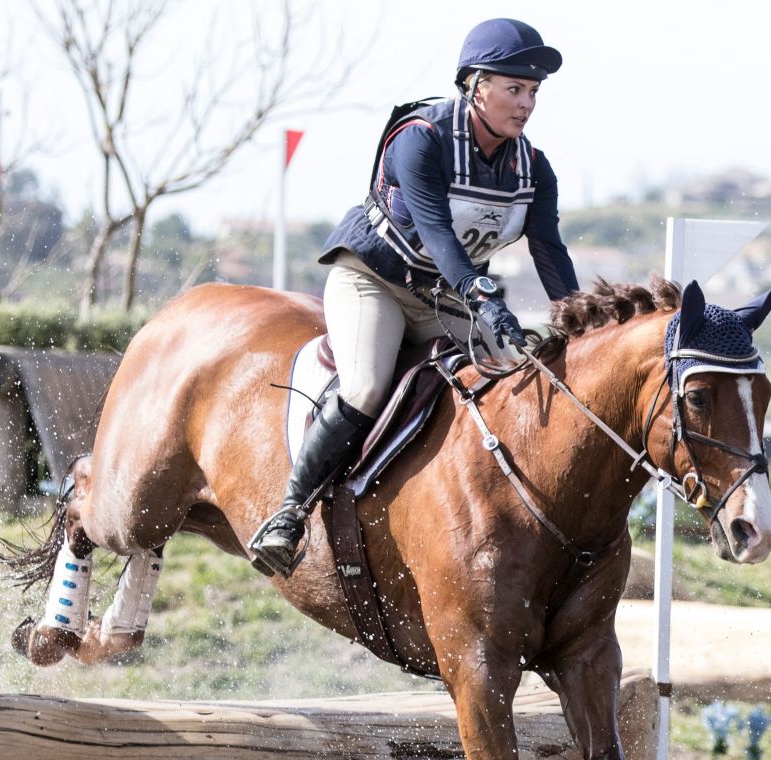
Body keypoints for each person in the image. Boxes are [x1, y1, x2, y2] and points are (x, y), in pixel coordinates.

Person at [249, 17, 582, 578]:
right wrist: (483, 295)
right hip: (373, 280)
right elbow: (437, 233)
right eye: (514, 89)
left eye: (533, 93)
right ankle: (289, 512)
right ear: (476, 85)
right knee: (367, 384)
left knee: (508, 378)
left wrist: (581, 320)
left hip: (444, 297)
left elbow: (549, 251)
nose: (526, 104)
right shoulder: (420, 139)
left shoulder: (533, 167)